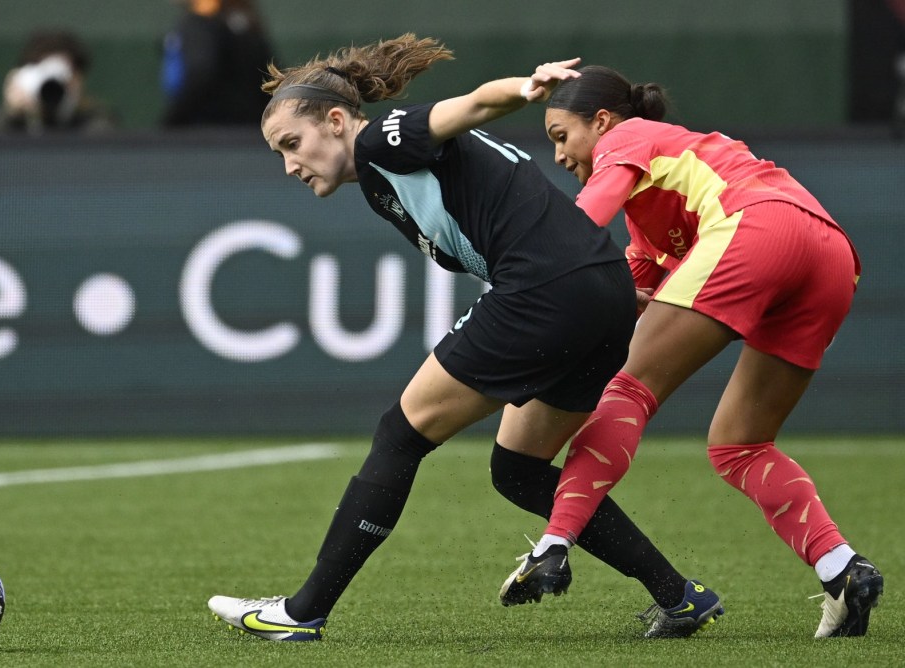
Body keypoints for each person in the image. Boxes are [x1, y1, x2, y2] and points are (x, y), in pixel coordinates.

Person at [207, 34, 723, 642]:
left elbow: (471, 105)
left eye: (292, 144)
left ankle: (301, 614)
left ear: (338, 121)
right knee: (519, 469)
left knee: (399, 435)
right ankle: (678, 596)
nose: (290, 165)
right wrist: (596, 293)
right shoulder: (385, 176)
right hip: (597, 289)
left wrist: (522, 88)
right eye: (280, 154)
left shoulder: (379, 139)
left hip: (544, 289)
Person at [498, 61, 884, 638]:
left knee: (630, 386)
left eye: (561, 137)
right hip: (829, 255)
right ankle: (842, 569)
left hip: (756, 226)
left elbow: (574, 238)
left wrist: (514, 283)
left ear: (601, 122)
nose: (559, 156)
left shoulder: (625, 138)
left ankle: (554, 543)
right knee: (741, 445)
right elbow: (610, 297)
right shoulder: (653, 223)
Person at [159, 0, 274, 127]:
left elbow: (200, 74)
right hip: (250, 133)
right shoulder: (246, 20)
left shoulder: (198, 25)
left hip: (207, 134)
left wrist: (170, 124)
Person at [0, 30, 118, 136]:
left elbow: (102, 147)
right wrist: (11, 114)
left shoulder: (96, 120)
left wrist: (73, 109)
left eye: (62, 75)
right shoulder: (13, 123)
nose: (51, 85)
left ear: (78, 79)